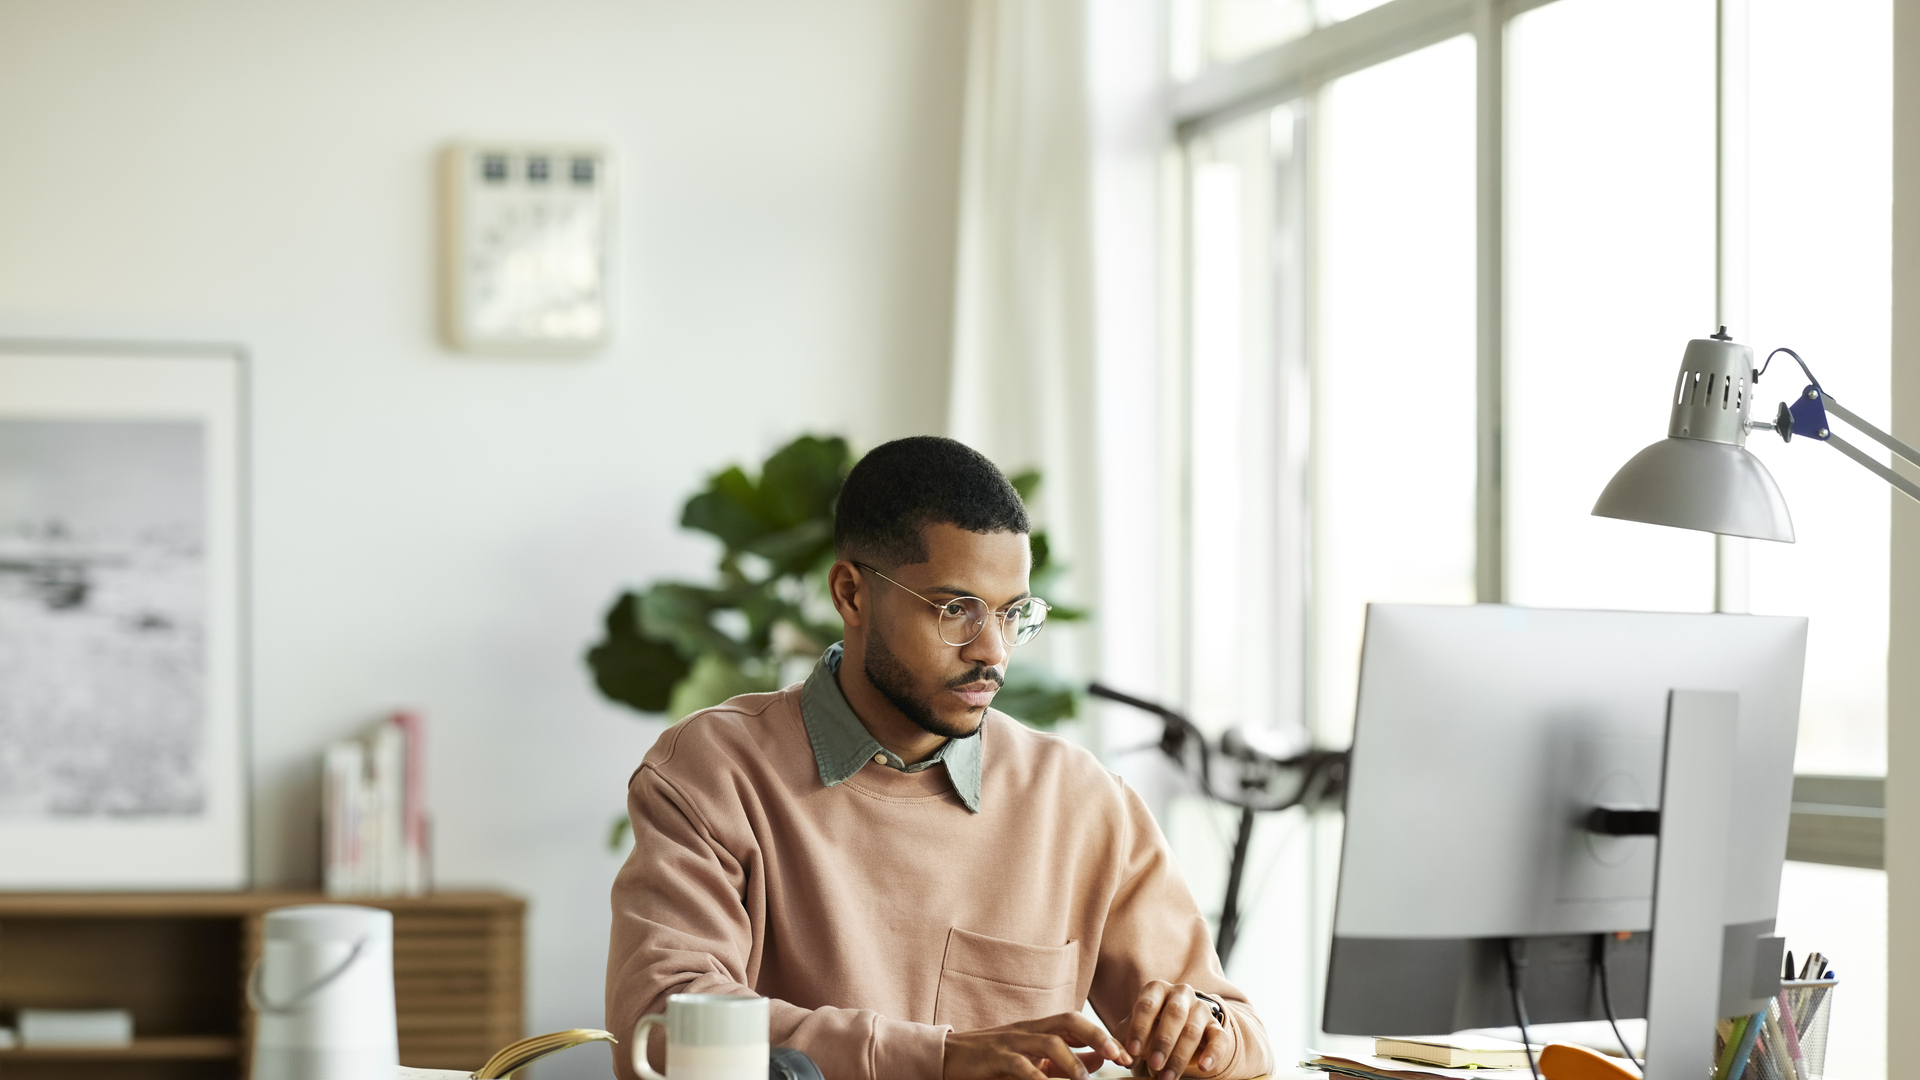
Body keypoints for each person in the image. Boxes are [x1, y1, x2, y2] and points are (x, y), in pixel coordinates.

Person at [606, 436, 1272, 1080]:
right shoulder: (714, 773)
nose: (994, 652)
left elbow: (1240, 1034)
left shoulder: (1080, 801)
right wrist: (941, 1060)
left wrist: (1203, 1031)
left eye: (1013, 615)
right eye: (957, 609)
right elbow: (663, 1028)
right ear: (851, 595)